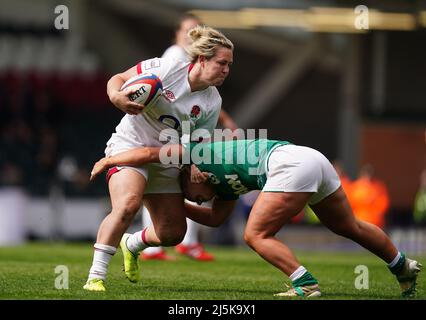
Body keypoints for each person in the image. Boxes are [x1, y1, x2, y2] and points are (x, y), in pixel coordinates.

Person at [90, 139, 422, 298]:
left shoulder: (194, 155)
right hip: (311, 160)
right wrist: (175, 208)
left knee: (255, 235)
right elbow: (216, 220)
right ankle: (402, 266)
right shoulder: (220, 187)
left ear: (188, 176)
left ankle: (305, 285)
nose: (196, 198)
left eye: (191, 195)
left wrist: (110, 160)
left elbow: (150, 153)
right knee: (348, 226)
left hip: (290, 165)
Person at [83, 25, 234, 291]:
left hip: (165, 159)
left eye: (229, 65)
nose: (226, 70)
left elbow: (196, 144)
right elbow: (118, 78)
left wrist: (194, 167)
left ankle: (132, 244)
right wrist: (116, 96)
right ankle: (96, 276)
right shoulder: (166, 69)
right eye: (221, 63)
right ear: (202, 59)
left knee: (173, 233)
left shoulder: (212, 101)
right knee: (128, 204)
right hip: (130, 145)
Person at [141, 14, 238, 262]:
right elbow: (184, 96)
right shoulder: (176, 55)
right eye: (186, 29)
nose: (190, 33)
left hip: (181, 128)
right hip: (171, 129)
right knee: (185, 181)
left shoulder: (197, 66)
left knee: (177, 180)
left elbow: (201, 97)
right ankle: (179, 243)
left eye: (195, 29)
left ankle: (173, 243)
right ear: (176, 33)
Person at [350, 164, 390, 229]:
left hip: (375, 222)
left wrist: (376, 212)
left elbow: (383, 203)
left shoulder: (378, 186)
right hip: (359, 221)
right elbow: (350, 203)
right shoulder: (355, 187)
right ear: (361, 174)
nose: (367, 177)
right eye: (365, 174)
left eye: (369, 174)